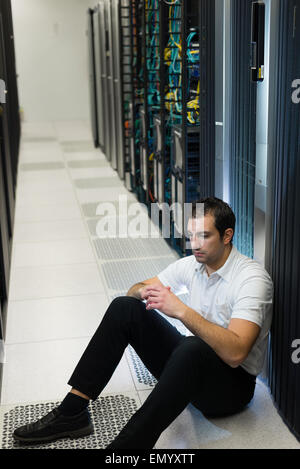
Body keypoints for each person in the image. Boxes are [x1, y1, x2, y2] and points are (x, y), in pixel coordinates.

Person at [13, 197, 273, 449]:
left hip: (230, 388)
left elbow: (236, 353)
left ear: (227, 236)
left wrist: (180, 310)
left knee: (191, 347)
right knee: (124, 308)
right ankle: (72, 413)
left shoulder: (251, 279)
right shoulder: (192, 266)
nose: (195, 244)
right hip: (191, 364)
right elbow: (133, 291)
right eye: (191, 235)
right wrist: (145, 292)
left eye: (204, 236)